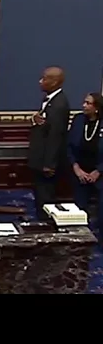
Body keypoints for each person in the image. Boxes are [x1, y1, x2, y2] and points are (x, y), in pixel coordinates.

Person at [27, 66, 71, 220]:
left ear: (54, 82)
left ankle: (46, 226)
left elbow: (56, 135)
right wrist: (35, 119)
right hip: (40, 159)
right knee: (40, 196)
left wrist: (49, 164)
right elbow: (45, 124)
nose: (40, 81)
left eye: (44, 78)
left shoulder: (59, 104)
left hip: (46, 162)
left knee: (45, 198)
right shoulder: (50, 100)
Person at [67, 92, 103, 238]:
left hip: (100, 174)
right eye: (84, 102)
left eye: (88, 103)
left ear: (97, 108)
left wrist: (98, 171)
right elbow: (68, 146)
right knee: (79, 211)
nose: (84, 105)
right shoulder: (78, 120)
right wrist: (76, 167)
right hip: (80, 172)